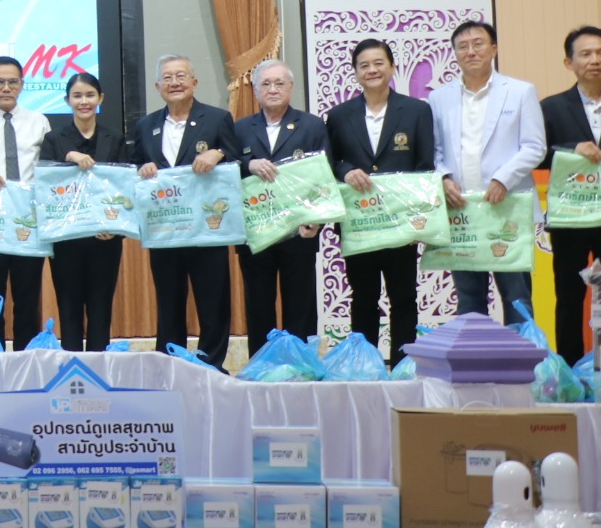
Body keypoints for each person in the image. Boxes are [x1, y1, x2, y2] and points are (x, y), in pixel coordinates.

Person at [326, 38, 436, 363]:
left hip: (402, 224)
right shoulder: (339, 115)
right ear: (355, 72)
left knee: (403, 297)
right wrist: (346, 171)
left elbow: (424, 166)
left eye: (378, 63)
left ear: (391, 67)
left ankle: (403, 365)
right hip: (359, 222)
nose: (372, 70)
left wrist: (419, 221)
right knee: (363, 298)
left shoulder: (417, 111)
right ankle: (365, 365)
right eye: (364, 65)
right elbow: (331, 162)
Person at [430, 20, 545, 318]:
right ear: (455, 54)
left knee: (517, 297)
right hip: (461, 211)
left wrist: (503, 179)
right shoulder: (438, 98)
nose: (471, 51)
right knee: (469, 299)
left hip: (507, 208)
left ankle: (521, 350)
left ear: (494, 49)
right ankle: (474, 349)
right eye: (462, 46)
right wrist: (443, 178)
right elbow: (434, 150)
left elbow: (535, 146)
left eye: (478, 44)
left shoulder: (520, 91)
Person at [132, 55, 239, 367]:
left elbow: (237, 160)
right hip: (165, 231)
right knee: (169, 304)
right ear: (157, 86)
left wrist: (218, 153)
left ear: (194, 82)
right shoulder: (145, 125)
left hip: (208, 230)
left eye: (181, 76)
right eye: (167, 78)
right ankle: (170, 366)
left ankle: (211, 366)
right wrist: (142, 168)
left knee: (213, 303)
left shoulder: (217, 119)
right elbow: (133, 165)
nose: (174, 82)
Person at [540, 26, 601, 363]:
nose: (594, 60)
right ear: (569, 62)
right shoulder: (550, 108)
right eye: (585, 54)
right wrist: (571, 149)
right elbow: (536, 155)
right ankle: (568, 369)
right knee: (568, 297)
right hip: (571, 220)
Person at [232, 59, 329, 346]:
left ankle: (301, 363)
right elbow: (226, 167)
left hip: (299, 230)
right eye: (266, 84)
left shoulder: (311, 125)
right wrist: (248, 164)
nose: (273, 89)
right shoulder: (239, 128)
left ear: (291, 87)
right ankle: (262, 363)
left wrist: (318, 220)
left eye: (279, 83)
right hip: (257, 231)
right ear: (255, 90)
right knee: (258, 303)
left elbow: (324, 175)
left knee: (301, 304)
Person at [38, 73, 129, 351]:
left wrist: (115, 228)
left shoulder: (115, 138)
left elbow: (124, 186)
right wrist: (69, 156)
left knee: (101, 306)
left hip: (105, 238)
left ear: (100, 98)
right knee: (69, 307)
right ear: (67, 100)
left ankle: (98, 365)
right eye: (77, 96)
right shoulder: (53, 139)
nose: (84, 101)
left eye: (90, 95)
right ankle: (72, 363)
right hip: (66, 239)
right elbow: (45, 184)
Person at [0, 55, 50, 348]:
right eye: (0, 82)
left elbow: (50, 169)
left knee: (28, 296)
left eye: (13, 82)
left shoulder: (39, 122)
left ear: (22, 85)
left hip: (28, 221)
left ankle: (26, 359)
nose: (6, 88)